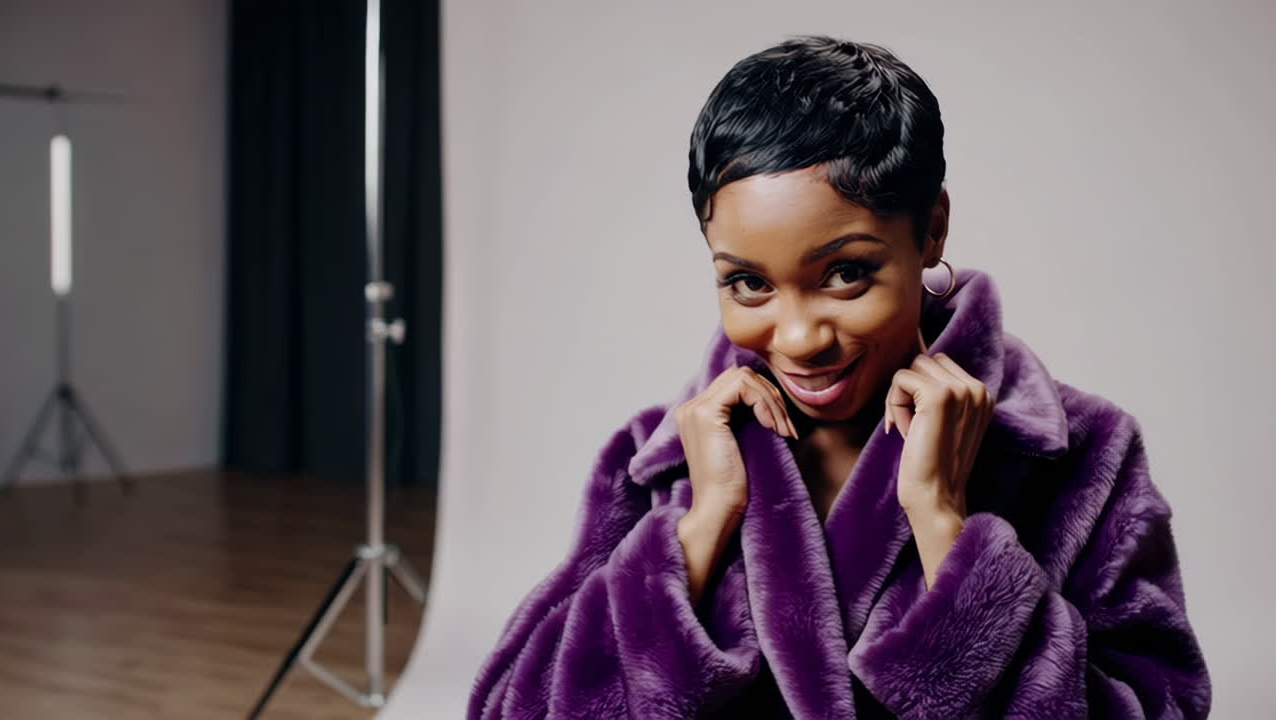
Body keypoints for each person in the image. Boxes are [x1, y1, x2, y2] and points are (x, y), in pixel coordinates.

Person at [467, 35, 1212, 719]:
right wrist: (697, 530)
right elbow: (510, 709)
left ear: (933, 230)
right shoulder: (658, 464)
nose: (797, 337)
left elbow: (1160, 706)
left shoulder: (1085, 454)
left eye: (846, 274)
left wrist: (948, 531)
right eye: (748, 284)